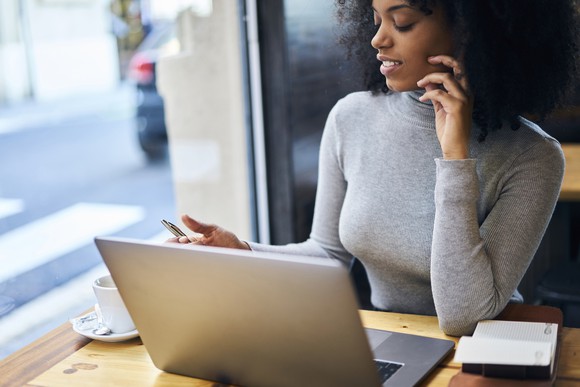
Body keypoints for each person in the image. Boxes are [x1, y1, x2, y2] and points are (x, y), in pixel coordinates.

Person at [168, 0, 580, 336]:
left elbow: (463, 316)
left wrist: (455, 157)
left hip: (478, 358)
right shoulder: (351, 118)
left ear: (471, 31)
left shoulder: (533, 156)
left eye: (401, 23)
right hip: (386, 339)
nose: (377, 39)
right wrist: (242, 252)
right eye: (375, 18)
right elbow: (327, 254)